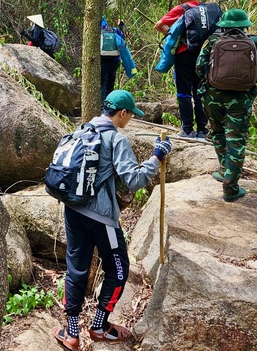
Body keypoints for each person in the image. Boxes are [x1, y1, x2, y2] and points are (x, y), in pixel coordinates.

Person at [52, 90, 171, 350]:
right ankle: (99, 327)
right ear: (122, 113)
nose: (129, 120)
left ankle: (71, 333)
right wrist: (156, 156)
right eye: (130, 115)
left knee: (76, 269)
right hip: (101, 218)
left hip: (72, 210)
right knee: (118, 270)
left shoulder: (83, 129)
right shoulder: (116, 139)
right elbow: (135, 180)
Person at [196, 9, 257, 202]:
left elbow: (199, 67)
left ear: (225, 25)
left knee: (218, 132)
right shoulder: (254, 42)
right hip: (241, 99)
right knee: (236, 140)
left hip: (212, 97)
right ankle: (230, 187)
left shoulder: (213, 41)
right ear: (244, 25)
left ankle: (225, 171)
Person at [154, 0, 208, 139]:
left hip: (184, 53)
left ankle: (187, 129)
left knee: (184, 92)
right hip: (203, 55)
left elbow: (159, 25)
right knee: (199, 92)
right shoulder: (206, 10)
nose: (179, 0)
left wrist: (172, 33)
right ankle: (203, 130)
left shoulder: (182, 8)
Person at [100, 17, 137, 103]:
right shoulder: (113, 30)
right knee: (110, 83)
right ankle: (109, 105)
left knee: (102, 84)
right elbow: (122, 41)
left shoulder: (97, 32)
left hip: (102, 61)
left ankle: (102, 106)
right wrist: (121, 27)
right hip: (115, 61)